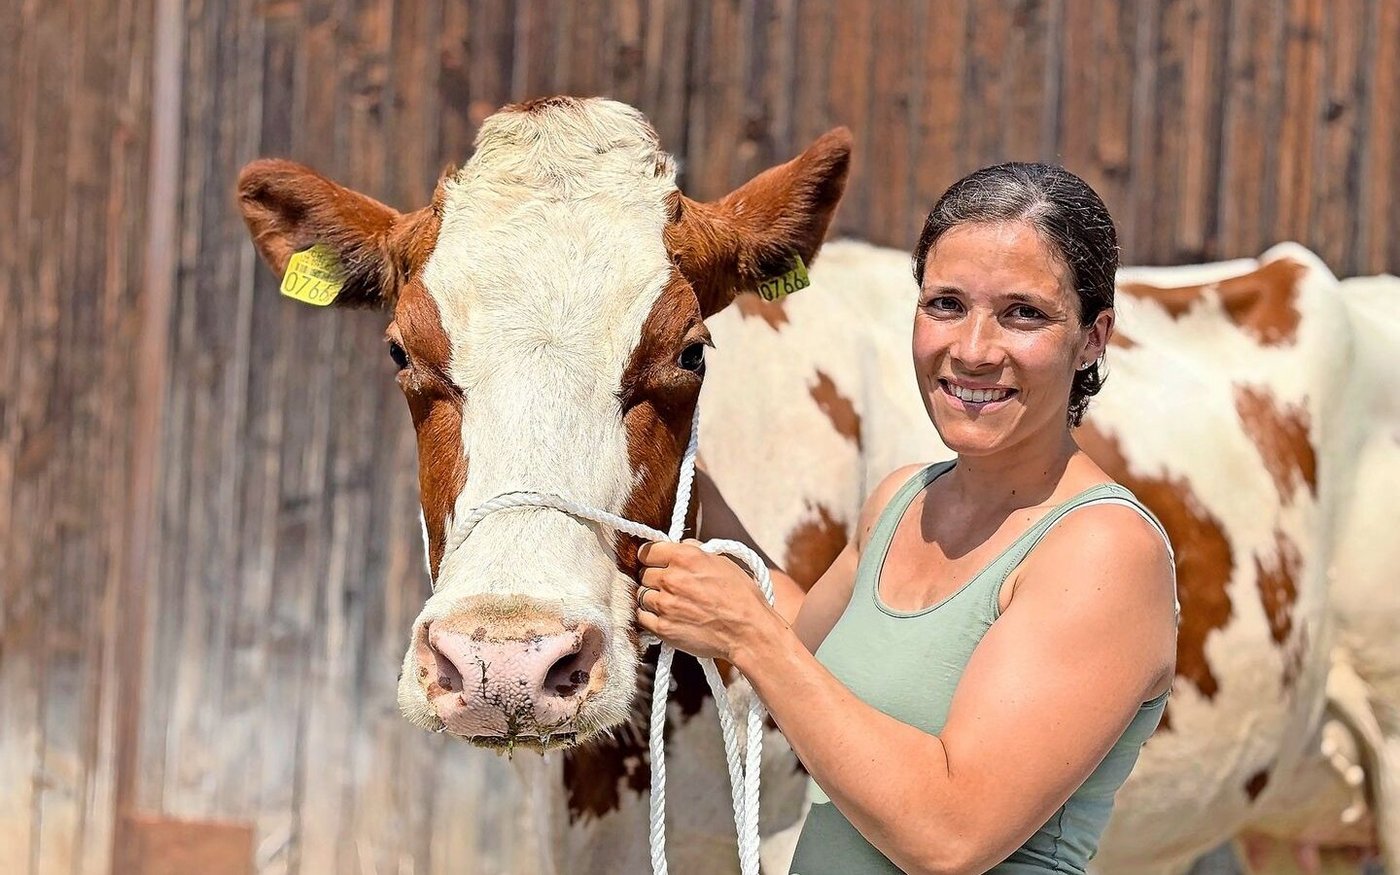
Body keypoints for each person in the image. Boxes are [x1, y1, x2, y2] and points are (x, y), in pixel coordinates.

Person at [634, 162, 1179, 875]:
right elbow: (809, 652)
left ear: (1092, 338)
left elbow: (949, 834)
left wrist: (748, 632)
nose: (974, 349)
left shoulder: (1102, 550)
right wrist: (675, 482)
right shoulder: (902, 502)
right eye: (946, 304)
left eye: (1024, 313)